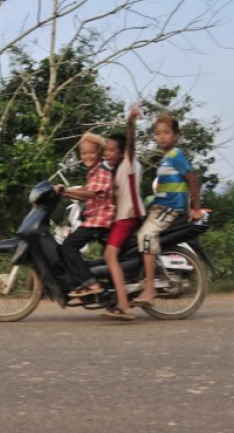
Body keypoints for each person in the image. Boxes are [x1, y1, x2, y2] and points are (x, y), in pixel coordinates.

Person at [133, 114, 202, 306]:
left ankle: (149, 289)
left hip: (171, 208)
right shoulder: (165, 159)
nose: (161, 137)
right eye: (158, 133)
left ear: (176, 135)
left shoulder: (175, 155)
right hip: (160, 207)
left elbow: (193, 181)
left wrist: (195, 208)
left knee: (146, 236)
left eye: (166, 133)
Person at [55, 132, 115, 297]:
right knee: (68, 245)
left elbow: (91, 193)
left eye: (91, 152)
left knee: (68, 246)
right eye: (84, 153)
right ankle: (76, 283)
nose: (87, 156)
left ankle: (91, 283)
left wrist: (67, 190)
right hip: (93, 219)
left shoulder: (102, 172)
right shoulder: (93, 172)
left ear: (99, 153)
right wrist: (64, 193)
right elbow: (83, 191)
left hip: (99, 220)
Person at [100, 105, 145, 321]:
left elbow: (131, 141)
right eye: (105, 150)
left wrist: (130, 122)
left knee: (110, 255)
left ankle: (124, 306)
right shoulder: (117, 170)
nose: (107, 154)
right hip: (123, 216)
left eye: (111, 150)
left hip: (128, 216)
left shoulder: (129, 161)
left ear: (122, 151)